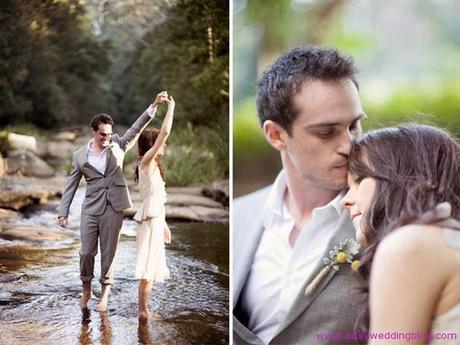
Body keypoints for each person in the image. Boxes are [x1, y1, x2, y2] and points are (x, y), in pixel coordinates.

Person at [233, 45, 367, 345]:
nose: (349, 144)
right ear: (276, 135)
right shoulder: (238, 214)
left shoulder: (388, 217)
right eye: (326, 132)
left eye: (354, 126)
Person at [341, 124, 460, 345]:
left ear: (403, 177)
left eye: (358, 180)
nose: (345, 200)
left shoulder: (412, 244)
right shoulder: (445, 240)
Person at [58, 91, 170, 312]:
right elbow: (71, 185)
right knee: (87, 252)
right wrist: (63, 212)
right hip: (90, 208)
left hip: (114, 206)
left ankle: (105, 296)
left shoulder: (118, 143)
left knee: (109, 253)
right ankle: (86, 290)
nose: (106, 137)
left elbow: (136, 128)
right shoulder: (79, 156)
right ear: (93, 132)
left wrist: (154, 106)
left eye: (109, 134)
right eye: (102, 134)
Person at [133, 95, 175, 319]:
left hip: (155, 221)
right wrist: (171, 107)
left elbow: (158, 201)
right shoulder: (146, 163)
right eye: (159, 142)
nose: (164, 144)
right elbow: (165, 133)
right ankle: (143, 311)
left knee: (151, 267)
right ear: (152, 145)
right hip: (149, 223)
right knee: (147, 269)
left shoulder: (154, 167)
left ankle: (145, 309)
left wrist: (165, 226)